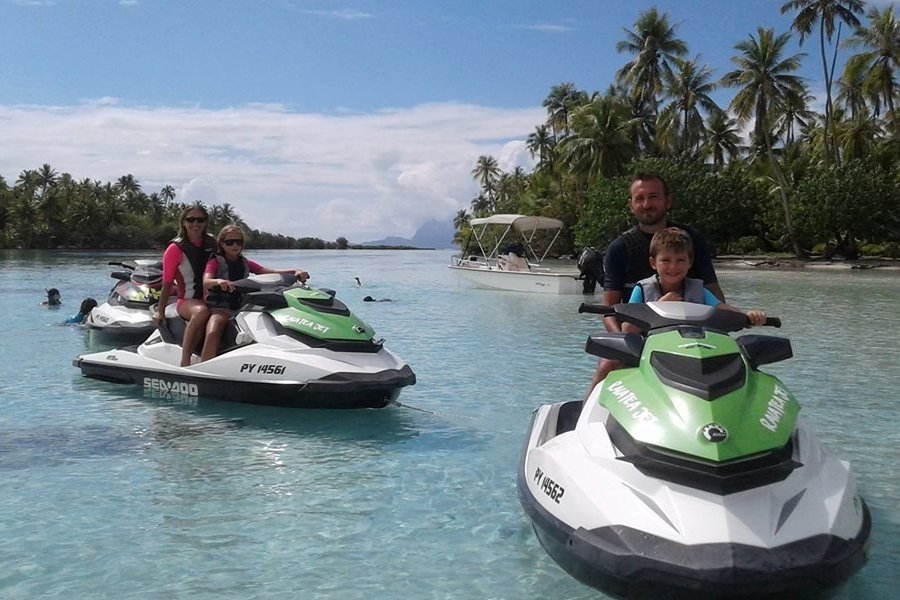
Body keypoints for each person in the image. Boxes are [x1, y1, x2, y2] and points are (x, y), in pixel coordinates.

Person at [588, 172, 726, 394]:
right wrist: (623, 341)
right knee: (608, 364)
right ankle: (583, 414)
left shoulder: (691, 240)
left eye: (653, 197)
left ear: (667, 201)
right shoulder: (618, 248)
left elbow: (713, 293)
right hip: (637, 335)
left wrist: (732, 319)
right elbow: (609, 309)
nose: (647, 204)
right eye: (639, 198)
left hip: (690, 335)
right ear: (631, 205)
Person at [199, 224, 310, 362]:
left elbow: (268, 272)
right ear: (221, 244)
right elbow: (206, 281)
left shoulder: (245, 262)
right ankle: (205, 365)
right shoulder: (215, 261)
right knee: (214, 328)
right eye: (229, 242)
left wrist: (294, 271)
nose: (235, 245)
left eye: (239, 242)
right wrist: (218, 281)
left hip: (242, 306)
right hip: (220, 307)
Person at [629, 228, 766, 323]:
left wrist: (748, 317)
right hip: (651, 351)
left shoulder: (699, 291)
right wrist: (659, 307)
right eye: (666, 260)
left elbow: (724, 310)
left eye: (681, 260)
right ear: (653, 263)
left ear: (690, 263)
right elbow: (628, 329)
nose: (673, 267)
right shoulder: (641, 290)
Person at [154, 204, 218, 367]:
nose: (195, 224)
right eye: (191, 220)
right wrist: (160, 312)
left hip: (213, 299)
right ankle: (185, 360)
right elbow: (167, 282)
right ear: (183, 223)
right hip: (187, 301)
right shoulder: (175, 249)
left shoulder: (212, 244)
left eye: (200, 220)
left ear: (205, 223)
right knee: (202, 312)